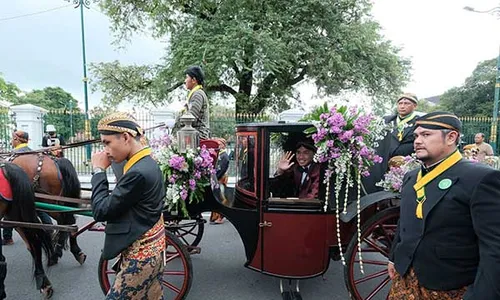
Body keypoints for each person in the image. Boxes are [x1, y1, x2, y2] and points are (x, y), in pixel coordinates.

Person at [387, 111, 500, 299]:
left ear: (451, 137)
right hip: (404, 279)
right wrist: (394, 257)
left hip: (449, 286)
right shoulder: (411, 177)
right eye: (416, 136)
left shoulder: (480, 178)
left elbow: (494, 247)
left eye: (426, 135)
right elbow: (405, 221)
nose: (417, 141)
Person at [91, 112, 166, 299]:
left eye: (107, 143)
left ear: (125, 137)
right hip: (154, 250)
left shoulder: (137, 172)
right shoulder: (147, 162)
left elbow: (101, 211)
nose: (105, 150)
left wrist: (98, 171)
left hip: (140, 258)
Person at [3, 130, 54, 245]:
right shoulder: (33, 154)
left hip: (19, 192)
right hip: (34, 188)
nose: (12, 141)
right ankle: (49, 229)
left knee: (8, 209)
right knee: (40, 209)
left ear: (16, 139)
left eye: (12, 139)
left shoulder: (12, 158)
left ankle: (7, 237)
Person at [172, 66, 210, 139]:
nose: (185, 81)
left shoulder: (198, 94)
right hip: (192, 134)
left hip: (198, 136)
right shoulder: (195, 93)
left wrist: (176, 121)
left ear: (193, 80)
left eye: (187, 77)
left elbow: (191, 118)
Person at [384, 93, 419, 158]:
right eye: (400, 103)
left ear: (415, 106)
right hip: (385, 160)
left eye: (406, 103)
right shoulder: (387, 120)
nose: (402, 106)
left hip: (408, 162)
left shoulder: (419, 122)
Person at [210, 138, 230, 224]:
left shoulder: (224, 156)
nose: (218, 145)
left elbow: (222, 169)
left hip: (221, 178)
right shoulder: (219, 154)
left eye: (220, 144)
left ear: (224, 145)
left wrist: (215, 178)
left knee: (221, 198)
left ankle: (220, 216)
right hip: (217, 178)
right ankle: (215, 216)